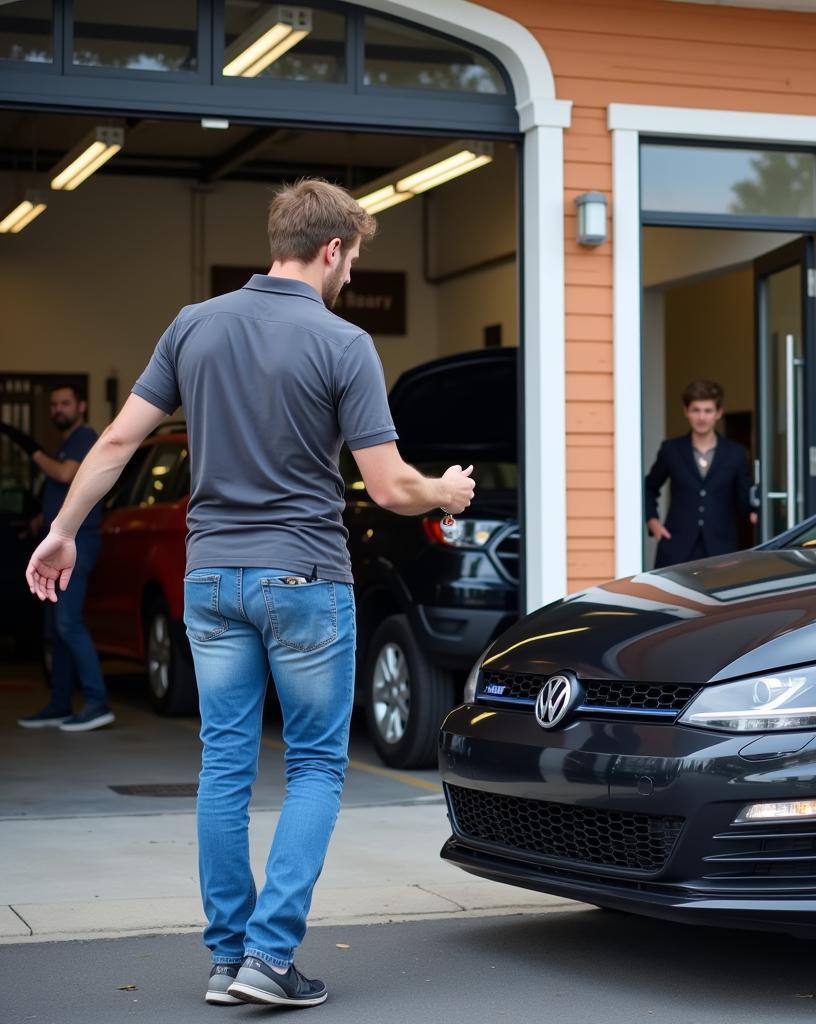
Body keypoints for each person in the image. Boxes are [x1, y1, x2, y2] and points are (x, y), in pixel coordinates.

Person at [24, 178, 476, 1010]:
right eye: (352, 259)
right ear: (333, 249)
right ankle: (269, 959)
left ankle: (228, 959)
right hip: (304, 578)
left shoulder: (193, 326)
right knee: (313, 768)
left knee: (223, 768)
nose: (349, 275)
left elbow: (122, 438)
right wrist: (443, 493)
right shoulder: (345, 344)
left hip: (210, 579)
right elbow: (387, 487)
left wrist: (64, 526)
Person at [3, 383, 112, 731]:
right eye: (53, 404)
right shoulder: (69, 442)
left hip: (79, 543)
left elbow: (66, 474)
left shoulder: (85, 436)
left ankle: (97, 703)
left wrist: (29, 448)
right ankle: (60, 703)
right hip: (59, 543)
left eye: (64, 403)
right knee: (55, 629)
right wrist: (40, 520)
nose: (58, 409)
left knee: (68, 623)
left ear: (81, 406)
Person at [644, 379, 756, 569]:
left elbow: (743, 497)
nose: (701, 417)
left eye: (708, 410)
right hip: (676, 547)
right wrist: (653, 522)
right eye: (696, 410)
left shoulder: (735, 453)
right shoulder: (671, 450)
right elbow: (649, 487)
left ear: (719, 413)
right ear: (686, 411)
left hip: (722, 551)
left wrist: (758, 512)